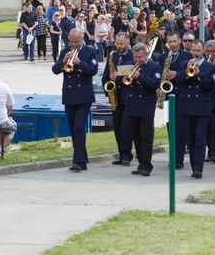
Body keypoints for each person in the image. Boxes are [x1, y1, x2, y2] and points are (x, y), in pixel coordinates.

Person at [52, 29, 99, 172]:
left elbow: (93, 70)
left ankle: (77, 161)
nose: (73, 45)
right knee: (73, 129)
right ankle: (82, 159)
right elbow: (55, 70)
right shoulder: (65, 51)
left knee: (79, 127)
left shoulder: (90, 51)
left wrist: (79, 63)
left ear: (82, 39)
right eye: (71, 41)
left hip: (84, 96)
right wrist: (63, 61)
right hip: (69, 95)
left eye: (76, 42)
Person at [175, 40, 215, 178]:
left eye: (198, 51)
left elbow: (210, 86)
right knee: (190, 139)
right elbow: (178, 81)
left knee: (200, 138)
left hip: (202, 108)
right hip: (186, 107)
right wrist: (186, 71)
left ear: (203, 51)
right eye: (194, 51)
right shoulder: (184, 64)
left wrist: (199, 74)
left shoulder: (210, 67)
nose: (196, 53)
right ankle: (194, 166)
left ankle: (198, 168)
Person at [122, 43, 161, 177]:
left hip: (146, 107)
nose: (137, 60)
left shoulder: (154, 67)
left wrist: (139, 77)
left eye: (140, 57)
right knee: (136, 137)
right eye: (135, 57)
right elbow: (121, 82)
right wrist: (121, 77)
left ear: (146, 55)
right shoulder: (128, 65)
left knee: (146, 137)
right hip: (132, 106)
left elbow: (154, 84)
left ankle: (147, 165)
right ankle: (140, 163)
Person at [158, 31, 193, 169]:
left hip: (182, 96)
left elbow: (189, 75)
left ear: (180, 41)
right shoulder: (163, 57)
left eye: (174, 41)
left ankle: (178, 160)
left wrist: (177, 74)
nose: (172, 44)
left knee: (180, 129)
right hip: (168, 96)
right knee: (170, 128)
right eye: (170, 42)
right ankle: (173, 158)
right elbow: (159, 73)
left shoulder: (187, 56)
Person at [102, 33, 134, 166]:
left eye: (122, 44)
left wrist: (117, 77)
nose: (119, 46)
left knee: (126, 128)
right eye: (117, 43)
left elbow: (129, 73)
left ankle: (127, 155)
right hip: (115, 97)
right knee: (117, 127)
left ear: (127, 43)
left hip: (128, 97)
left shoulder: (133, 56)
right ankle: (121, 154)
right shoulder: (113, 56)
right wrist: (108, 90)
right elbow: (105, 76)